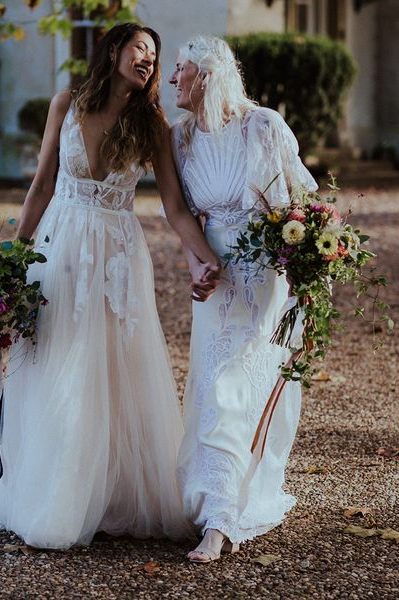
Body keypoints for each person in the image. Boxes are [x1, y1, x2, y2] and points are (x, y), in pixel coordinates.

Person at [0, 24, 220, 550]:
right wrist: (9, 258)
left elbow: (175, 208)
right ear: (114, 50)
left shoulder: (153, 124)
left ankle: (109, 488)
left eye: (154, 53)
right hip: (61, 244)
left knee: (112, 361)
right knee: (55, 352)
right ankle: (54, 485)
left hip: (117, 254)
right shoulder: (65, 104)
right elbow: (42, 185)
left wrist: (206, 259)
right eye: (139, 47)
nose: (148, 58)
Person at [168, 36, 318, 562]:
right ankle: (214, 498)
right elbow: (185, 219)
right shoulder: (180, 138)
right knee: (211, 387)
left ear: (206, 76)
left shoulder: (264, 126)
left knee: (239, 386)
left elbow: (304, 203)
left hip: (264, 276)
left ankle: (222, 517)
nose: (171, 81)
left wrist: (306, 273)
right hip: (216, 277)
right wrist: (197, 267)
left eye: (180, 70)